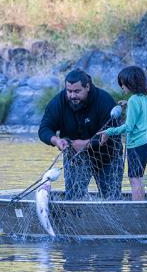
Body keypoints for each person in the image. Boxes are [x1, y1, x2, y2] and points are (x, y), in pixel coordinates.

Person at [38, 69, 123, 200]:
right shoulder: (59, 102)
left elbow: (114, 134)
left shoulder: (104, 100)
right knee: (73, 198)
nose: (72, 96)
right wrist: (56, 140)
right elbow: (44, 129)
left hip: (108, 157)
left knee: (111, 199)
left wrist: (87, 144)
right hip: (75, 159)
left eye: (77, 91)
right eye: (69, 91)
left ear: (87, 87)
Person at [100, 66, 147, 201]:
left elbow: (128, 127)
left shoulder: (134, 100)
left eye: (122, 84)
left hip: (135, 145)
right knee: (139, 176)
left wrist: (109, 131)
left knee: (134, 179)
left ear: (131, 83)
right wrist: (129, 104)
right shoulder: (144, 97)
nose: (122, 87)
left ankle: (137, 208)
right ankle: (140, 205)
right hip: (145, 141)